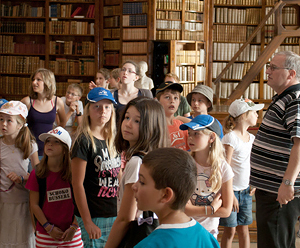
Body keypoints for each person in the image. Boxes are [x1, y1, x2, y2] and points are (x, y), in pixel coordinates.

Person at [250, 51, 300, 248]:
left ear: (291, 74)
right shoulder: (283, 97)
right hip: (271, 189)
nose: (268, 72)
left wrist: (288, 183)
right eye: (268, 67)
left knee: (276, 242)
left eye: (273, 68)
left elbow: (299, 144)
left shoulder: (294, 99)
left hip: (279, 191)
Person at [105, 97, 169, 248]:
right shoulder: (158, 157)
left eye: (137, 121)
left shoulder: (137, 162)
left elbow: (126, 218)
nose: (127, 124)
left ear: (151, 126)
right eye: (127, 117)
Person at [132, 147, 220, 248]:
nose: (134, 186)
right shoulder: (208, 239)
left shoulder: (148, 245)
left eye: (142, 182)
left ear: (165, 195)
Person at [71, 87, 121, 248]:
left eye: (107, 107)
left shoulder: (114, 139)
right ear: (87, 111)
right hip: (94, 214)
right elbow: (77, 184)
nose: (102, 111)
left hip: (115, 211)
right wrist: (87, 221)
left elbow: (118, 173)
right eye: (97, 106)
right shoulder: (83, 141)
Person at [26, 126, 83, 247]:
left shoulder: (74, 172)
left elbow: (83, 202)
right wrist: (48, 227)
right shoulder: (37, 173)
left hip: (72, 231)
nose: (50, 144)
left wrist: (74, 226)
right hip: (46, 232)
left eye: (56, 142)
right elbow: (34, 205)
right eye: (48, 141)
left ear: (65, 149)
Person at [219, 98, 264, 248]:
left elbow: (252, 163)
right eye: (254, 112)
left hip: (246, 191)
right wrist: (230, 193)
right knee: (230, 231)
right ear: (244, 115)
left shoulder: (252, 138)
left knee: (244, 230)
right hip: (230, 191)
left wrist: (254, 182)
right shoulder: (230, 138)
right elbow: (225, 167)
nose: (257, 115)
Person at [180, 115, 234, 238]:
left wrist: (199, 210)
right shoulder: (185, 163)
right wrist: (211, 209)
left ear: (211, 137)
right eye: (189, 133)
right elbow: (185, 208)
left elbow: (226, 211)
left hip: (210, 233)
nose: (190, 138)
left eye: (196, 134)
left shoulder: (224, 168)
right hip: (187, 229)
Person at [0, 101, 39, 247]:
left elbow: (38, 174)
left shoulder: (29, 144)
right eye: (1, 119)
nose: (4, 123)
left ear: (20, 124)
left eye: (9, 120)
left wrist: (23, 178)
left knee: (21, 237)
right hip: (3, 202)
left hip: (23, 200)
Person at [21, 68, 66, 158]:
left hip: (49, 150)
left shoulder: (57, 101)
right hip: (29, 149)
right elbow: (17, 124)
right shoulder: (27, 101)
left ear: (47, 82)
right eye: (33, 80)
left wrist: (54, 135)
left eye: (38, 80)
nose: (34, 82)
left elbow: (63, 122)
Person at [156, 81, 189, 151]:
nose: (172, 101)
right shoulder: (156, 128)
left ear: (179, 102)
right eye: (167, 97)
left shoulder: (182, 126)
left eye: (176, 98)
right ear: (157, 101)